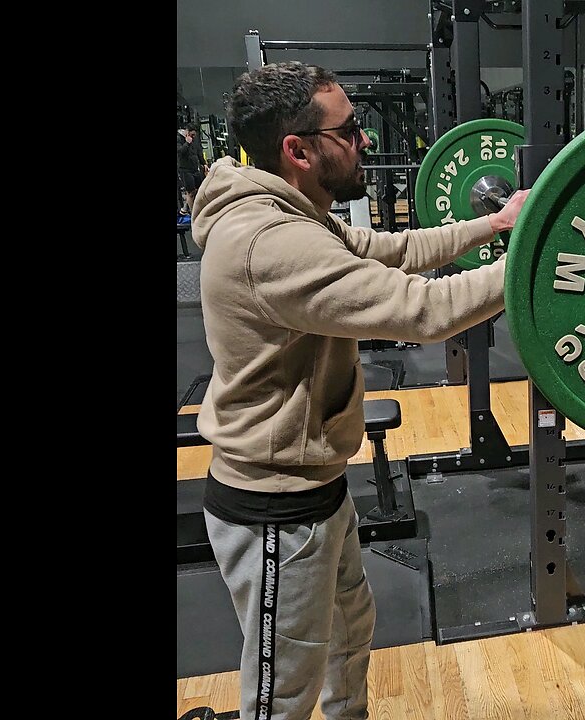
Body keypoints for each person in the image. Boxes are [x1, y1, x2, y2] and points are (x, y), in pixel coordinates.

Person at [189, 61, 528, 720]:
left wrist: (495, 226)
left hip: (315, 486)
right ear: (299, 150)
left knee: (350, 637)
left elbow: (388, 252)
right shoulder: (270, 242)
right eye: (348, 131)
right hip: (275, 510)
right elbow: (422, 310)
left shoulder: (289, 209)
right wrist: (542, 254)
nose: (365, 140)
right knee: (281, 697)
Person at [177, 122, 206, 215]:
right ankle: (195, 214)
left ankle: (186, 209)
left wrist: (204, 163)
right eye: (192, 135)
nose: (193, 137)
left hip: (194, 168)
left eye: (194, 135)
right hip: (185, 170)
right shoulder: (178, 139)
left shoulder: (194, 139)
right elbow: (180, 152)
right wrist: (187, 143)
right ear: (187, 132)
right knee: (191, 192)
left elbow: (198, 151)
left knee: (199, 190)